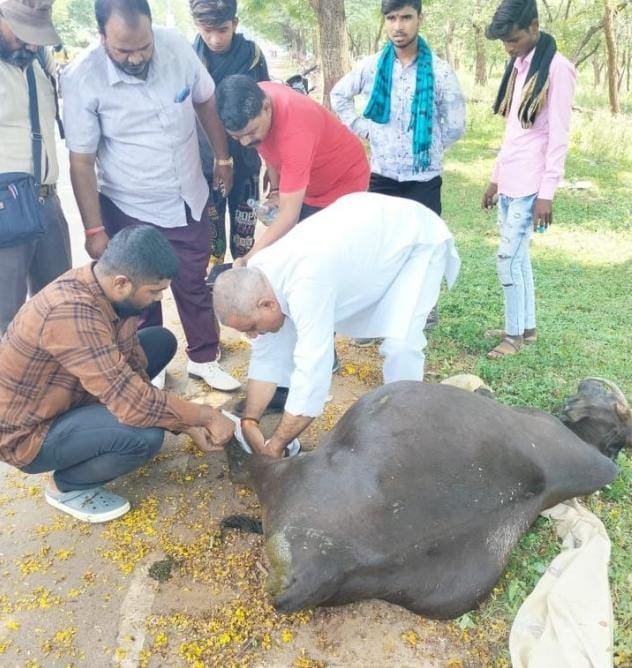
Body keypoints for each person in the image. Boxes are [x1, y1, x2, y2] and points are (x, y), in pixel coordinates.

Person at [61, 0, 240, 392]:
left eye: (144, 46)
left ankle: (204, 359)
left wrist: (223, 157)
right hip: (129, 204)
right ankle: (150, 366)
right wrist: (94, 228)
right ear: (102, 36)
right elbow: (81, 161)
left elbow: (205, 100)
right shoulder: (81, 77)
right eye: (124, 50)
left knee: (193, 282)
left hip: (187, 196)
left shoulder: (176, 47)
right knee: (140, 294)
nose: (137, 56)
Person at [0, 226, 234, 523]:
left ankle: (100, 431)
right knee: (144, 436)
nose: (158, 299)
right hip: (29, 433)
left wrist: (185, 424)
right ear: (123, 282)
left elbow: (132, 364)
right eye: (154, 291)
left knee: (160, 340)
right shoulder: (71, 311)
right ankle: (67, 487)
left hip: (67, 394)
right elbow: (134, 404)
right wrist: (204, 416)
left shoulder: (108, 290)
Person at [212, 192, 460, 458]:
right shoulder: (259, 277)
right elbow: (267, 354)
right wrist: (250, 420)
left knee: (402, 344)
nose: (251, 335)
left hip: (414, 240)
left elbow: (313, 370)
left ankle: (406, 428)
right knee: (278, 335)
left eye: (249, 327)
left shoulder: (307, 283)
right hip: (367, 243)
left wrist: (276, 445)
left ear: (267, 305)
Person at [330, 0, 465, 339]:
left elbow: (456, 124)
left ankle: (422, 313)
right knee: (379, 246)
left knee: (424, 245)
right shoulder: (373, 66)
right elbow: (339, 95)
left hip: (424, 177)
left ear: (419, 19)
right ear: (385, 22)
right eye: (391, 18)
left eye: (406, 17)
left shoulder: (440, 71)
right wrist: (364, 129)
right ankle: (373, 317)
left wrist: (428, 147)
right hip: (383, 175)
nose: (398, 26)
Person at [481, 0, 575, 359]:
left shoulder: (557, 69)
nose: (508, 47)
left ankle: (513, 336)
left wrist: (547, 193)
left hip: (532, 186)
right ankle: (526, 327)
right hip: (511, 180)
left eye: (514, 39)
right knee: (518, 260)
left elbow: (558, 137)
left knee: (507, 258)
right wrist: (495, 179)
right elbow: (514, 132)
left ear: (534, 27)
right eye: (504, 42)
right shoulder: (520, 65)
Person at [215, 74, 370, 265]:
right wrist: (276, 191)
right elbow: (267, 146)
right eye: (237, 137)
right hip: (308, 182)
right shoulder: (256, 97)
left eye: (251, 132)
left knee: (323, 257)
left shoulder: (295, 132)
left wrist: (248, 258)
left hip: (342, 183)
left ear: (267, 108)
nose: (246, 142)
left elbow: (289, 217)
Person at [0, 0, 71, 335]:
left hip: (48, 200)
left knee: (61, 306)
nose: (31, 43)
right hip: (6, 205)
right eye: (23, 34)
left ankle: (51, 386)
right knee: (5, 317)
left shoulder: (38, 60)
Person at [190, 0, 270, 264]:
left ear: (235, 23)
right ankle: (213, 292)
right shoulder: (190, 58)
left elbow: (270, 109)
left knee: (243, 239)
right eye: (207, 30)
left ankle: (242, 286)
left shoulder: (253, 56)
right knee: (212, 243)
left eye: (222, 30)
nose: (215, 39)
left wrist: (274, 164)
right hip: (206, 163)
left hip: (246, 160)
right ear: (197, 25)